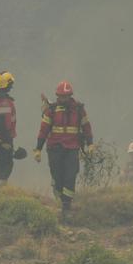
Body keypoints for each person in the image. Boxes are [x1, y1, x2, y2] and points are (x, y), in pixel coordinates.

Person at [34, 80, 94, 220]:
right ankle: (60, 195)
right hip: (54, 148)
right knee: (57, 176)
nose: (63, 99)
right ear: (57, 96)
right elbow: (43, 131)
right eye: (60, 96)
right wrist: (38, 149)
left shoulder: (79, 110)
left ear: (70, 96)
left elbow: (86, 127)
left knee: (70, 176)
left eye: (65, 97)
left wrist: (90, 144)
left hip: (72, 148)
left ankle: (66, 206)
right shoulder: (52, 110)